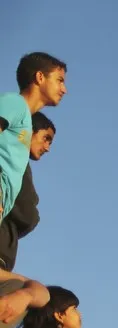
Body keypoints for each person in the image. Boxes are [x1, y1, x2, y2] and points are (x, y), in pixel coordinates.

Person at [0, 52, 66, 220]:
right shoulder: (15, 103)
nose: (64, 89)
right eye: (59, 80)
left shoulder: (26, 122)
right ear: (40, 77)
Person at [0, 111, 55, 272]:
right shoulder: (17, 162)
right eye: (46, 138)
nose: (47, 148)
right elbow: (27, 215)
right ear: (29, 130)